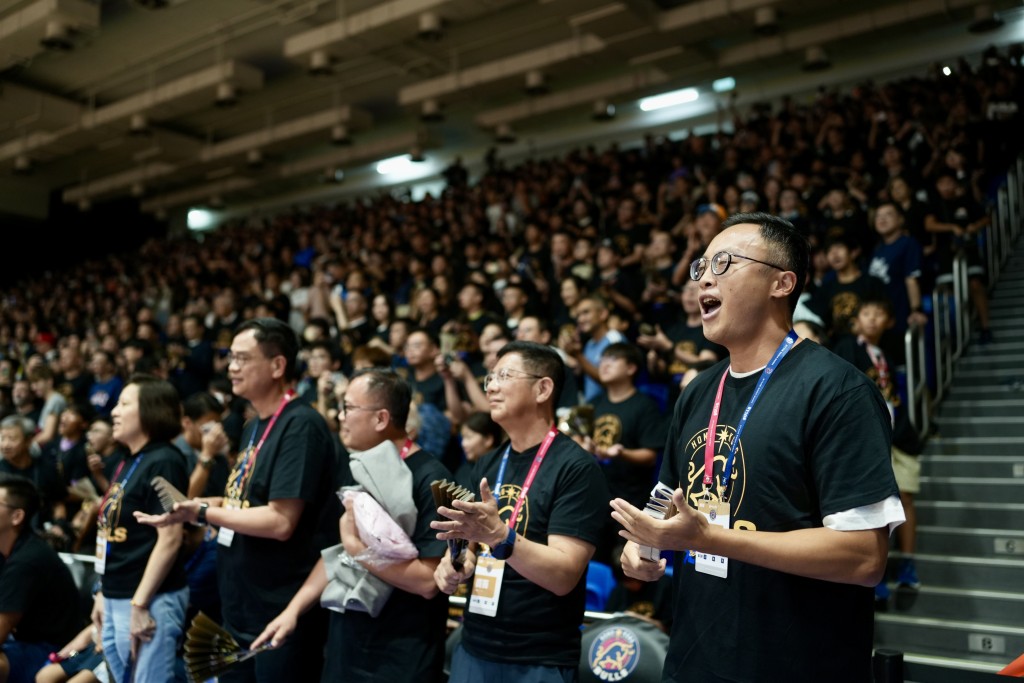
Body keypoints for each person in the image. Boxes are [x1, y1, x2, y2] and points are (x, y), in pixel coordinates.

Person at [610, 212, 903, 682]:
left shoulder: (837, 389)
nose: (704, 276)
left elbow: (864, 557)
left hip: (795, 665)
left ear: (782, 283)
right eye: (700, 267)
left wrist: (708, 539)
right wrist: (643, 547)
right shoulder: (698, 392)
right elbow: (664, 504)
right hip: (693, 660)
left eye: (723, 263)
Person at [135, 318, 336, 683]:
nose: (231, 366)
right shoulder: (254, 424)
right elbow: (240, 501)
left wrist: (203, 510)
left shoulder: (301, 425)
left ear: (277, 366)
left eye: (243, 359)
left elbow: (280, 521)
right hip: (239, 608)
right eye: (230, 358)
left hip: (280, 610)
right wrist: (188, 510)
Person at [252, 368, 452, 682]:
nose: (339, 415)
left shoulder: (432, 479)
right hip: (347, 644)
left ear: (381, 419)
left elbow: (428, 581)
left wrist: (359, 549)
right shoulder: (358, 466)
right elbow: (337, 552)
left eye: (348, 407)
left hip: (400, 656)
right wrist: (293, 610)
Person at [432, 341, 610, 681]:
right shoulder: (489, 461)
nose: (492, 386)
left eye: (505, 375)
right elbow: (470, 546)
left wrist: (501, 536)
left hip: (538, 657)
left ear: (543, 388)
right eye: (489, 379)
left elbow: (563, 575)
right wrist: (454, 563)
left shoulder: (576, 468)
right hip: (474, 646)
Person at [91, 374, 190, 683]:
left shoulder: (165, 460)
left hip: (149, 600)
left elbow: (171, 538)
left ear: (150, 410)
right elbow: (109, 531)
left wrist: (140, 603)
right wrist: (101, 592)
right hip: (115, 596)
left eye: (124, 404)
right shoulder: (127, 459)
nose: (114, 412)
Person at [832, 297, 922, 601]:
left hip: (899, 437)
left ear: (888, 322)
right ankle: (876, 572)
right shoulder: (848, 349)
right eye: (866, 313)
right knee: (876, 504)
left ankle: (908, 564)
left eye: (878, 313)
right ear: (856, 321)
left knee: (906, 496)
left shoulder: (885, 353)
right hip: (869, 437)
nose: (871, 319)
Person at [0, 475, 81, 683]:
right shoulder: (9, 550)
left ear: (16, 517)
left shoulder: (27, 561)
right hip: (21, 641)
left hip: (52, 650)